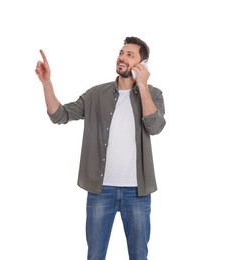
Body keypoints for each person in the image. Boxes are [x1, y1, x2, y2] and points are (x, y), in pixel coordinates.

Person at [35, 36, 166, 260]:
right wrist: (47, 83)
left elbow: (155, 127)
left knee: (139, 255)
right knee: (95, 255)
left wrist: (142, 85)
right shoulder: (96, 94)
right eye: (121, 52)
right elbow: (59, 115)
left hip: (137, 192)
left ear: (141, 65)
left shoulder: (153, 94)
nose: (122, 57)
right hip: (100, 191)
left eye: (130, 55)